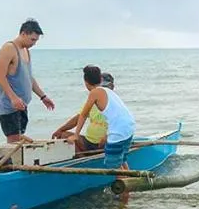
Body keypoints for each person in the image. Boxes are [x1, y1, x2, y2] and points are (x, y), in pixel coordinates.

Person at [73, 65, 136, 201]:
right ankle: (130, 189)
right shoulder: (108, 91)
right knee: (122, 161)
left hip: (118, 131)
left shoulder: (95, 92)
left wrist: (76, 134)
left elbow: (83, 115)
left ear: (85, 81)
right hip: (129, 127)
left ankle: (124, 199)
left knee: (114, 165)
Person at [0, 18, 55, 143]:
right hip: (8, 104)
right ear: (23, 34)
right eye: (32, 39)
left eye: (36, 40)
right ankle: (10, 162)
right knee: (14, 140)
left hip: (22, 105)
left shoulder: (26, 51)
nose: (34, 43)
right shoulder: (9, 48)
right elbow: (0, 76)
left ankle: (16, 161)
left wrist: (43, 97)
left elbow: (28, 78)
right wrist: (13, 98)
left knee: (20, 137)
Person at [52, 71, 115, 154]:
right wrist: (60, 130)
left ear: (112, 87)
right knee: (63, 135)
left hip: (105, 143)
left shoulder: (115, 103)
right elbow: (79, 117)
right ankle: (82, 159)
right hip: (89, 141)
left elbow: (120, 124)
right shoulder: (93, 101)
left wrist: (108, 136)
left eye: (105, 87)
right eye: (100, 87)